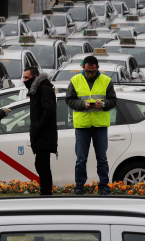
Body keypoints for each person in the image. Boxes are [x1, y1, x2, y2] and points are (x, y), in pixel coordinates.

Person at [65, 56, 117, 195]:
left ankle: (104, 186)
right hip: (82, 126)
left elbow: (113, 100)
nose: (90, 74)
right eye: (88, 71)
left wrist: (103, 104)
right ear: (83, 67)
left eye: (93, 71)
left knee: (102, 159)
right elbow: (69, 100)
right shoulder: (75, 80)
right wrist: (83, 105)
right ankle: (79, 187)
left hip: (100, 125)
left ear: (97, 68)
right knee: (81, 159)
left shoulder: (106, 80)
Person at [23, 67, 57, 195]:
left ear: (35, 76)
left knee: (42, 165)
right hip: (41, 133)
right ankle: (45, 191)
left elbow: (49, 111)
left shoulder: (44, 89)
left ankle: (46, 192)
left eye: (27, 77)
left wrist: (39, 126)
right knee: (41, 165)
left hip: (45, 134)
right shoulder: (37, 89)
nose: (24, 80)